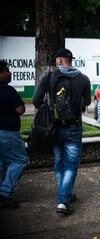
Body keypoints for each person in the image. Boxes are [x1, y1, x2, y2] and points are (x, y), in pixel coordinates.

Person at [32, 48, 91, 215]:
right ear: (70, 60)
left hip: (54, 127)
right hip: (73, 127)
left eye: (56, 59)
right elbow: (86, 102)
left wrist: (49, 108)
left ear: (59, 60)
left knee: (59, 162)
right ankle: (63, 200)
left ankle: (63, 195)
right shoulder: (83, 78)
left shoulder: (50, 77)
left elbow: (36, 100)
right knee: (71, 165)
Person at [0, 60, 28, 208]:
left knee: (2, 163)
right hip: (7, 133)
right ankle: (4, 192)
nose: (9, 73)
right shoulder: (8, 90)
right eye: (6, 70)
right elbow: (20, 110)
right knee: (20, 160)